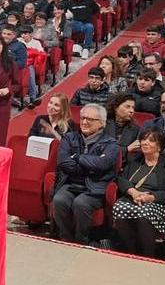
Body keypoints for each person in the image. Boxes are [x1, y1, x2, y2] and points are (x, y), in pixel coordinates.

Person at [51, 103, 119, 245]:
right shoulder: (69, 138)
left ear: (101, 123)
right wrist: (90, 166)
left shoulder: (111, 143)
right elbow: (63, 162)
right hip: (71, 183)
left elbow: (102, 164)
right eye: (83, 118)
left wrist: (77, 157)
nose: (84, 122)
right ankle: (66, 239)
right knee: (59, 200)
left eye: (90, 119)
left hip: (96, 187)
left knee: (81, 203)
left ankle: (81, 241)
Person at [112, 126, 165, 257]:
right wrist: (133, 192)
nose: (145, 143)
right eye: (143, 139)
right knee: (119, 207)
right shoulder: (135, 159)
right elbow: (121, 179)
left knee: (144, 213)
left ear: (159, 146)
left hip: (156, 203)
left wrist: (151, 197)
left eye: (151, 140)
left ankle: (148, 255)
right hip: (132, 198)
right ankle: (132, 252)